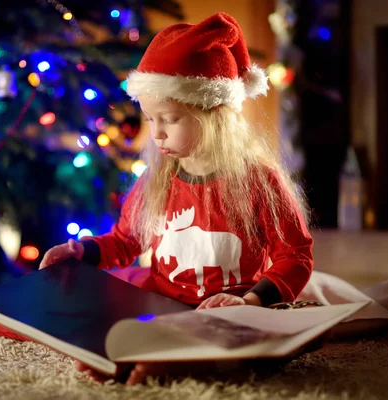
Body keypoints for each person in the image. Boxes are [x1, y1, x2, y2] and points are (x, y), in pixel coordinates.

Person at [40, 12, 314, 385]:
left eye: (168, 118)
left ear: (213, 115)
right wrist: (80, 252)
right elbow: (125, 240)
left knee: (252, 345)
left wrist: (250, 301)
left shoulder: (259, 181)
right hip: (165, 305)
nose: (156, 134)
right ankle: (138, 354)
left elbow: (294, 255)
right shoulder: (159, 179)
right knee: (114, 320)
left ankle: (178, 362)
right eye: (151, 120)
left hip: (230, 310)